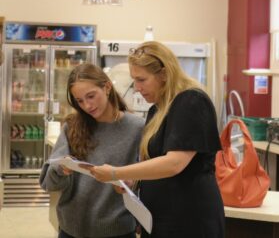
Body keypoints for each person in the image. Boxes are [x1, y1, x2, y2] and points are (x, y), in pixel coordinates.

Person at [83, 41, 225, 238]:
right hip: (161, 218)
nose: (137, 88)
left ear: (164, 74)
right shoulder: (157, 109)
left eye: (142, 80)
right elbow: (154, 162)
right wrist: (134, 181)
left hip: (189, 219)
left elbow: (174, 163)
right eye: (134, 81)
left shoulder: (191, 101)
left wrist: (116, 172)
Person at [39, 63, 145, 238]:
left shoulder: (137, 128)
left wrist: (133, 183)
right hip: (71, 230)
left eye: (91, 96)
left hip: (118, 231)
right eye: (80, 101)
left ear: (107, 87)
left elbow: (149, 178)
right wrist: (61, 169)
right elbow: (48, 184)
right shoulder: (72, 127)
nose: (87, 106)